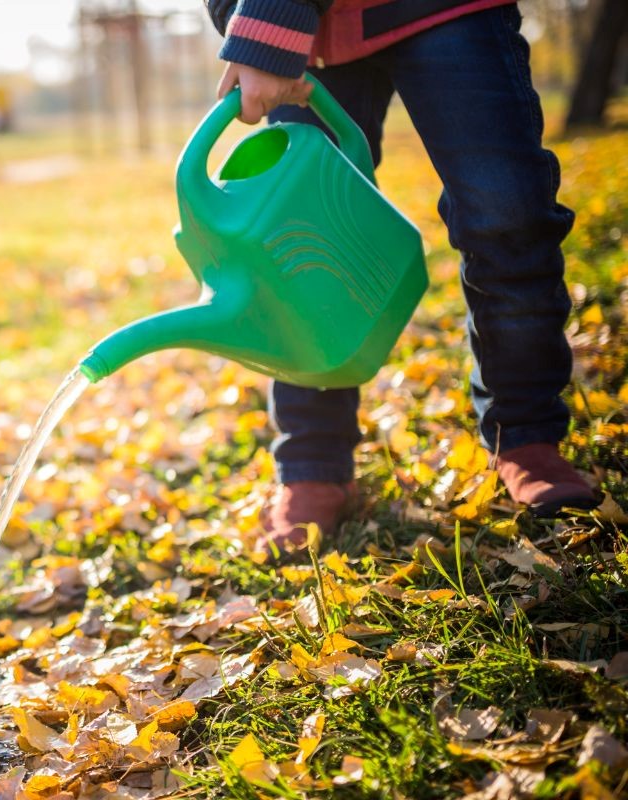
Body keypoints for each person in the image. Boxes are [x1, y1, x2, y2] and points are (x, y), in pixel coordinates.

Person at [200, 0, 601, 553]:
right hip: (313, 35)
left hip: (443, 9)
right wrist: (244, 19)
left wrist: (270, 22)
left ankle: (527, 435)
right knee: (298, 244)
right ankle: (313, 461)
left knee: (507, 213)